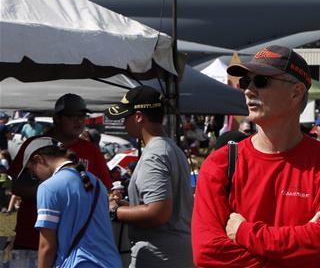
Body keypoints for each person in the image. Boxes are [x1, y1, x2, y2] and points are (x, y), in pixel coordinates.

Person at [192, 46, 320, 268]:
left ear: (296, 93)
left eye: (261, 81)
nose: (248, 91)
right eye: (245, 82)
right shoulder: (220, 163)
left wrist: (243, 231)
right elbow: (207, 253)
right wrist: (296, 251)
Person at [9, 94, 112, 267]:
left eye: (82, 116)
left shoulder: (91, 151)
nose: (78, 121)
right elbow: (16, 186)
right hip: (31, 240)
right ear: (57, 118)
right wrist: (55, 194)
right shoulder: (34, 145)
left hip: (73, 248)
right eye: (72, 116)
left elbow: (103, 190)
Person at [105, 86, 194, 267]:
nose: (123, 123)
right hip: (177, 252)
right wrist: (129, 207)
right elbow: (167, 206)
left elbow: (158, 212)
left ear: (139, 117)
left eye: (125, 117)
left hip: (158, 256)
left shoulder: (154, 155)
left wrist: (114, 210)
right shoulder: (171, 148)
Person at [20, 137, 120, 268]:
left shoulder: (48, 187)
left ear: (39, 159)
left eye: (33, 173)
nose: (36, 178)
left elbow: (47, 246)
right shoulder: (97, 182)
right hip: (111, 263)